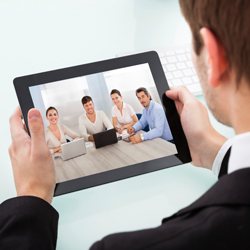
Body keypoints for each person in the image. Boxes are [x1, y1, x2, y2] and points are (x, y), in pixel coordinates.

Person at [2, 0, 250, 248]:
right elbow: (117, 127)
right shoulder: (102, 113)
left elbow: (131, 126)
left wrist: (32, 196)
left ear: (212, 56)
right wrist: (210, 149)